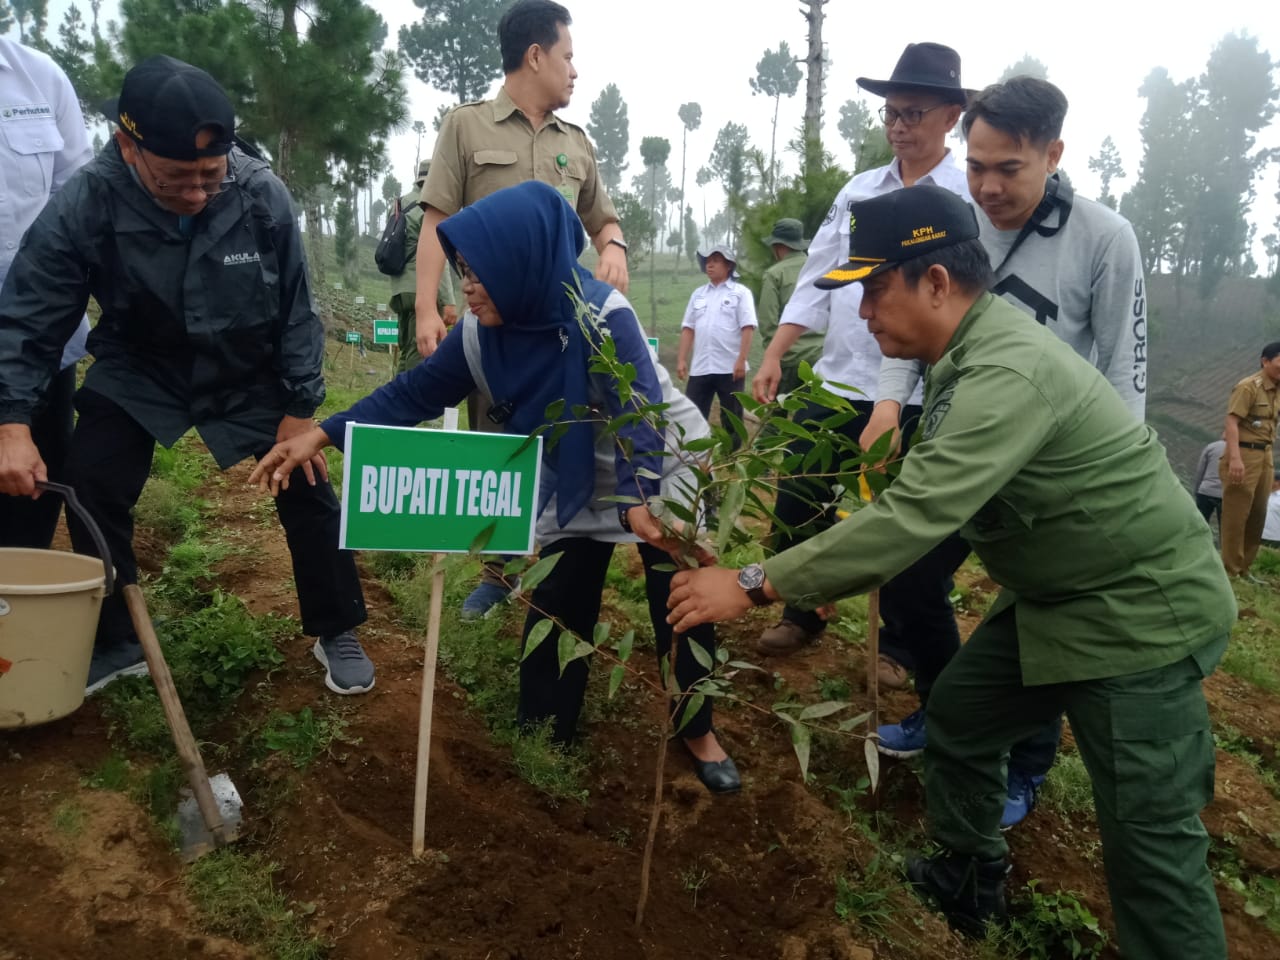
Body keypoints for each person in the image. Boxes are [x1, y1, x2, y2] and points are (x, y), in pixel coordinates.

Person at [667, 185, 1235, 959]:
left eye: (873, 290)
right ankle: (969, 878)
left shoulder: (1006, 373)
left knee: (1149, 845)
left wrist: (754, 580)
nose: (862, 314)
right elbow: (910, 501)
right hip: (1056, 594)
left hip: (1140, 611)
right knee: (962, 716)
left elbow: (913, 518)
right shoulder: (962, 359)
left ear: (935, 283)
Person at [250, 181, 739, 793]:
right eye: (461, 272)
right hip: (572, 471)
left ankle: (698, 729)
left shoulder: (601, 315)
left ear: (523, 264)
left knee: (682, 597)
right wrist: (321, 435)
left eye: (479, 274)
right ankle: (546, 729)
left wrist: (645, 501)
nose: (468, 289)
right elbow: (414, 392)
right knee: (557, 599)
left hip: (656, 464)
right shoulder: (479, 333)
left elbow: (639, 411)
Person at [0, 56, 373, 695]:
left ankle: (335, 626)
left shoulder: (259, 194)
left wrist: (301, 409)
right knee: (92, 485)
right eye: (177, 177)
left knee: (306, 481)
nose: (198, 192)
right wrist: (12, 422)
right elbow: (34, 314)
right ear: (128, 146)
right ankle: (119, 639)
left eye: (210, 174)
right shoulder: (88, 200)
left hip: (248, 367)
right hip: (142, 365)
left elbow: (298, 312)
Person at [869, 77, 1151, 829]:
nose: (988, 187)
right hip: (960, 444)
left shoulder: (1104, 239)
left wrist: (1111, 487)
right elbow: (907, 306)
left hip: (1049, 472)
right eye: (976, 166)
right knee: (907, 571)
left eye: (1009, 169)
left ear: (1052, 154)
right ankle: (943, 703)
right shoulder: (955, 225)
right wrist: (890, 401)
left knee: (1038, 619)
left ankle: (1023, 768)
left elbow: (1126, 372)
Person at [750, 42, 972, 665]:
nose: (898, 126)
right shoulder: (859, 191)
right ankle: (802, 608)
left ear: (951, 115)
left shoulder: (965, 196)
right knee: (799, 489)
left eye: (913, 114)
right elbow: (819, 274)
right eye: (891, 114)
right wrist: (776, 352)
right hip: (838, 377)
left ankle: (898, 643)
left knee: (903, 518)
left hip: (919, 393)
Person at [414, 0, 629, 618]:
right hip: (492, 330)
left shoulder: (576, 144)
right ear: (535, 56)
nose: (574, 71)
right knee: (498, 446)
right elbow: (438, 221)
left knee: (567, 441)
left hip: (563, 336)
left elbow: (603, 218)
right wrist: (428, 307)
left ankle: (561, 561)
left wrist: (612, 246)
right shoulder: (468, 127)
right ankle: (499, 571)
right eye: (567, 57)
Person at [0, 38, 93, 550]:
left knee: (30, 490)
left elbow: (75, 200)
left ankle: (20, 617)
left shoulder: (39, 76)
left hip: (43, 343)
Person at [676, 244, 757, 438]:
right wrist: (681, 359)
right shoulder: (698, 294)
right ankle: (693, 451)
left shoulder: (740, 293)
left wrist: (741, 359)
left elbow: (748, 327)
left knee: (731, 414)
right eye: (707, 262)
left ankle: (732, 454)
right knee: (693, 412)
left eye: (715, 261)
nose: (709, 265)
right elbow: (688, 328)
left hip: (730, 366)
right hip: (701, 366)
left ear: (728, 265)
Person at [1219, 341, 1280, 579]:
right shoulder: (1248, 387)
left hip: (1265, 455)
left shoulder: (1277, 389)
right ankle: (1229, 569)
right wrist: (1234, 458)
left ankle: (1245, 567)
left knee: (1258, 513)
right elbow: (1231, 422)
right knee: (1237, 513)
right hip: (1243, 454)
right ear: (1265, 361)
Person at [389, 159, 456, 375]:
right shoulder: (427, 207)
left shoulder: (401, 203)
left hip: (400, 289)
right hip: (422, 289)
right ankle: (413, 404)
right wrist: (449, 301)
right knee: (420, 356)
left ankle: (397, 403)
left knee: (406, 351)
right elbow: (438, 256)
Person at [756, 218, 821, 396]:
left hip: (788, 359)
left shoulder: (775, 274)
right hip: (819, 358)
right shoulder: (819, 269)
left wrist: (774, 357)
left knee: (774, 417)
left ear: (777, 246)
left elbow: (767, 323)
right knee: (813, 419)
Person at [1193, 437, 1227, 530]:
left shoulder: (1211, 447)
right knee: (1225, 530)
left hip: (1206, 491)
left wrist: (1196, 491)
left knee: (1199, 526)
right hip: (1226, 495)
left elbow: (1200, 471)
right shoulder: (1242, 451)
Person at [1262, 470, 1280, 546]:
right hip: (1259, 536)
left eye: (1269, 479)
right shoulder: (1262, 494)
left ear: (1278, 482)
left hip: (1275, 539)